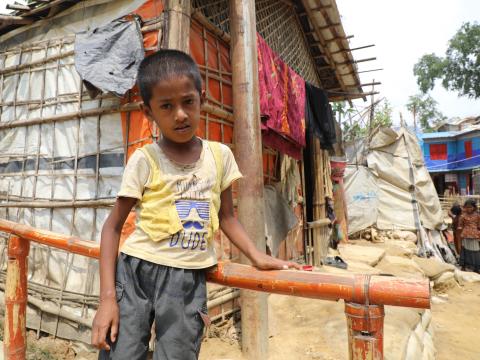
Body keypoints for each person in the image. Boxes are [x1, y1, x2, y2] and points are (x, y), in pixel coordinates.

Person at [91, 49, 300, 360]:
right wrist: (108, 298)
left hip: (188, 281)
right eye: (166, 106)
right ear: (148, 112)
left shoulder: (219, 156)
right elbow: (112, 228)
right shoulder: (145, 160)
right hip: (136, 275)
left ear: (202, 98)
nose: (180, 114)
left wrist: (257, 255)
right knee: (122, 353)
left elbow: (227, 217)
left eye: (188, 101)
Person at [457, 199, 480, 272]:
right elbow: (460, 226)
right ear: (464, 207)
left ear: (474, 207)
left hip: (474, 236)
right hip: (465, 235)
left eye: (470, 207)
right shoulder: (462, 216)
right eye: (467, 207)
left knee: (475, 250)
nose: (468, 209)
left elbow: (479, 226)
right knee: (465, 250)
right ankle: (464, 265)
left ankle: (476, 267)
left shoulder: (478, 216)